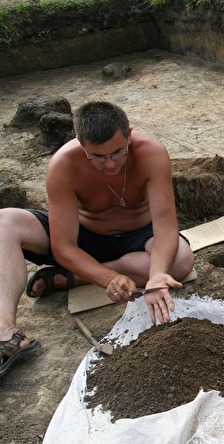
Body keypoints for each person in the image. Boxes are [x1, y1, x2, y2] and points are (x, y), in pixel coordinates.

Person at [0, 101, 195, 377]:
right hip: (84, 236)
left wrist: (156, 276)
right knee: (4, 222)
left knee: (183, 260)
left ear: (128, 135)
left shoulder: (151, 152)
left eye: (117, 152)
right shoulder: (63, 165)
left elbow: (164, 226)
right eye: (99, 157)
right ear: (81, 145)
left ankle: (75, 277)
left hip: (139, 235)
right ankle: (6, 335)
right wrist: (107, 280)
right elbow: (63, 245)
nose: (111, 163)